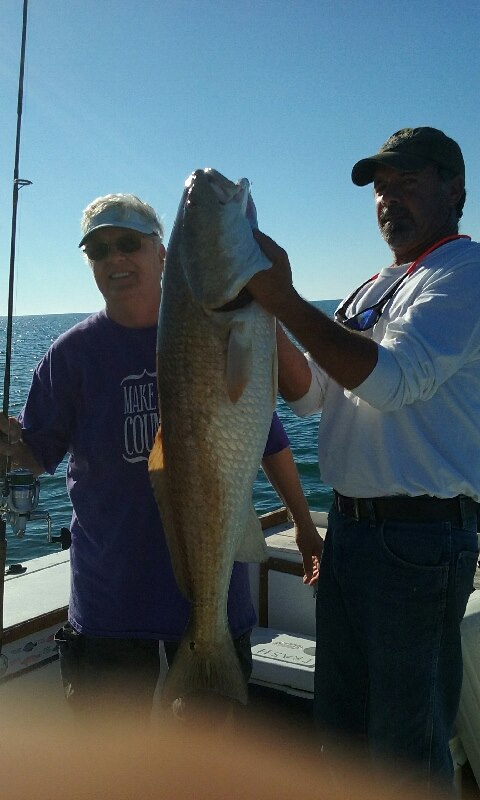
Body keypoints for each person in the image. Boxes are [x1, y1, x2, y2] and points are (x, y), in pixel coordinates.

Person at [0, 192, 321, 723]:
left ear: (162, 253)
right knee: (111, 767)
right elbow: (35, 454)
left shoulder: (218, 333)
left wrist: (305, 525)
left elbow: (267, 438)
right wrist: (9, 446)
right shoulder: (68, 356)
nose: (115, 259)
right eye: (99, 250)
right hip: (109, 601)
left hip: (215, 594)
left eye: (129, 243)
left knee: (208, 766)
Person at [246, 127, 480, 789]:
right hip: (350, 536)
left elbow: (393, 380)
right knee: (341, 736)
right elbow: (314, 396)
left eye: (408, 183)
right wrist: (262, 317)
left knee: (402, 751)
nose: (388, 200)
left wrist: (284, 298)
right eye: (381, 188)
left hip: (420, 542)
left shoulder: (465, 274)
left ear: (455, 189)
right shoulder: (375, 284)